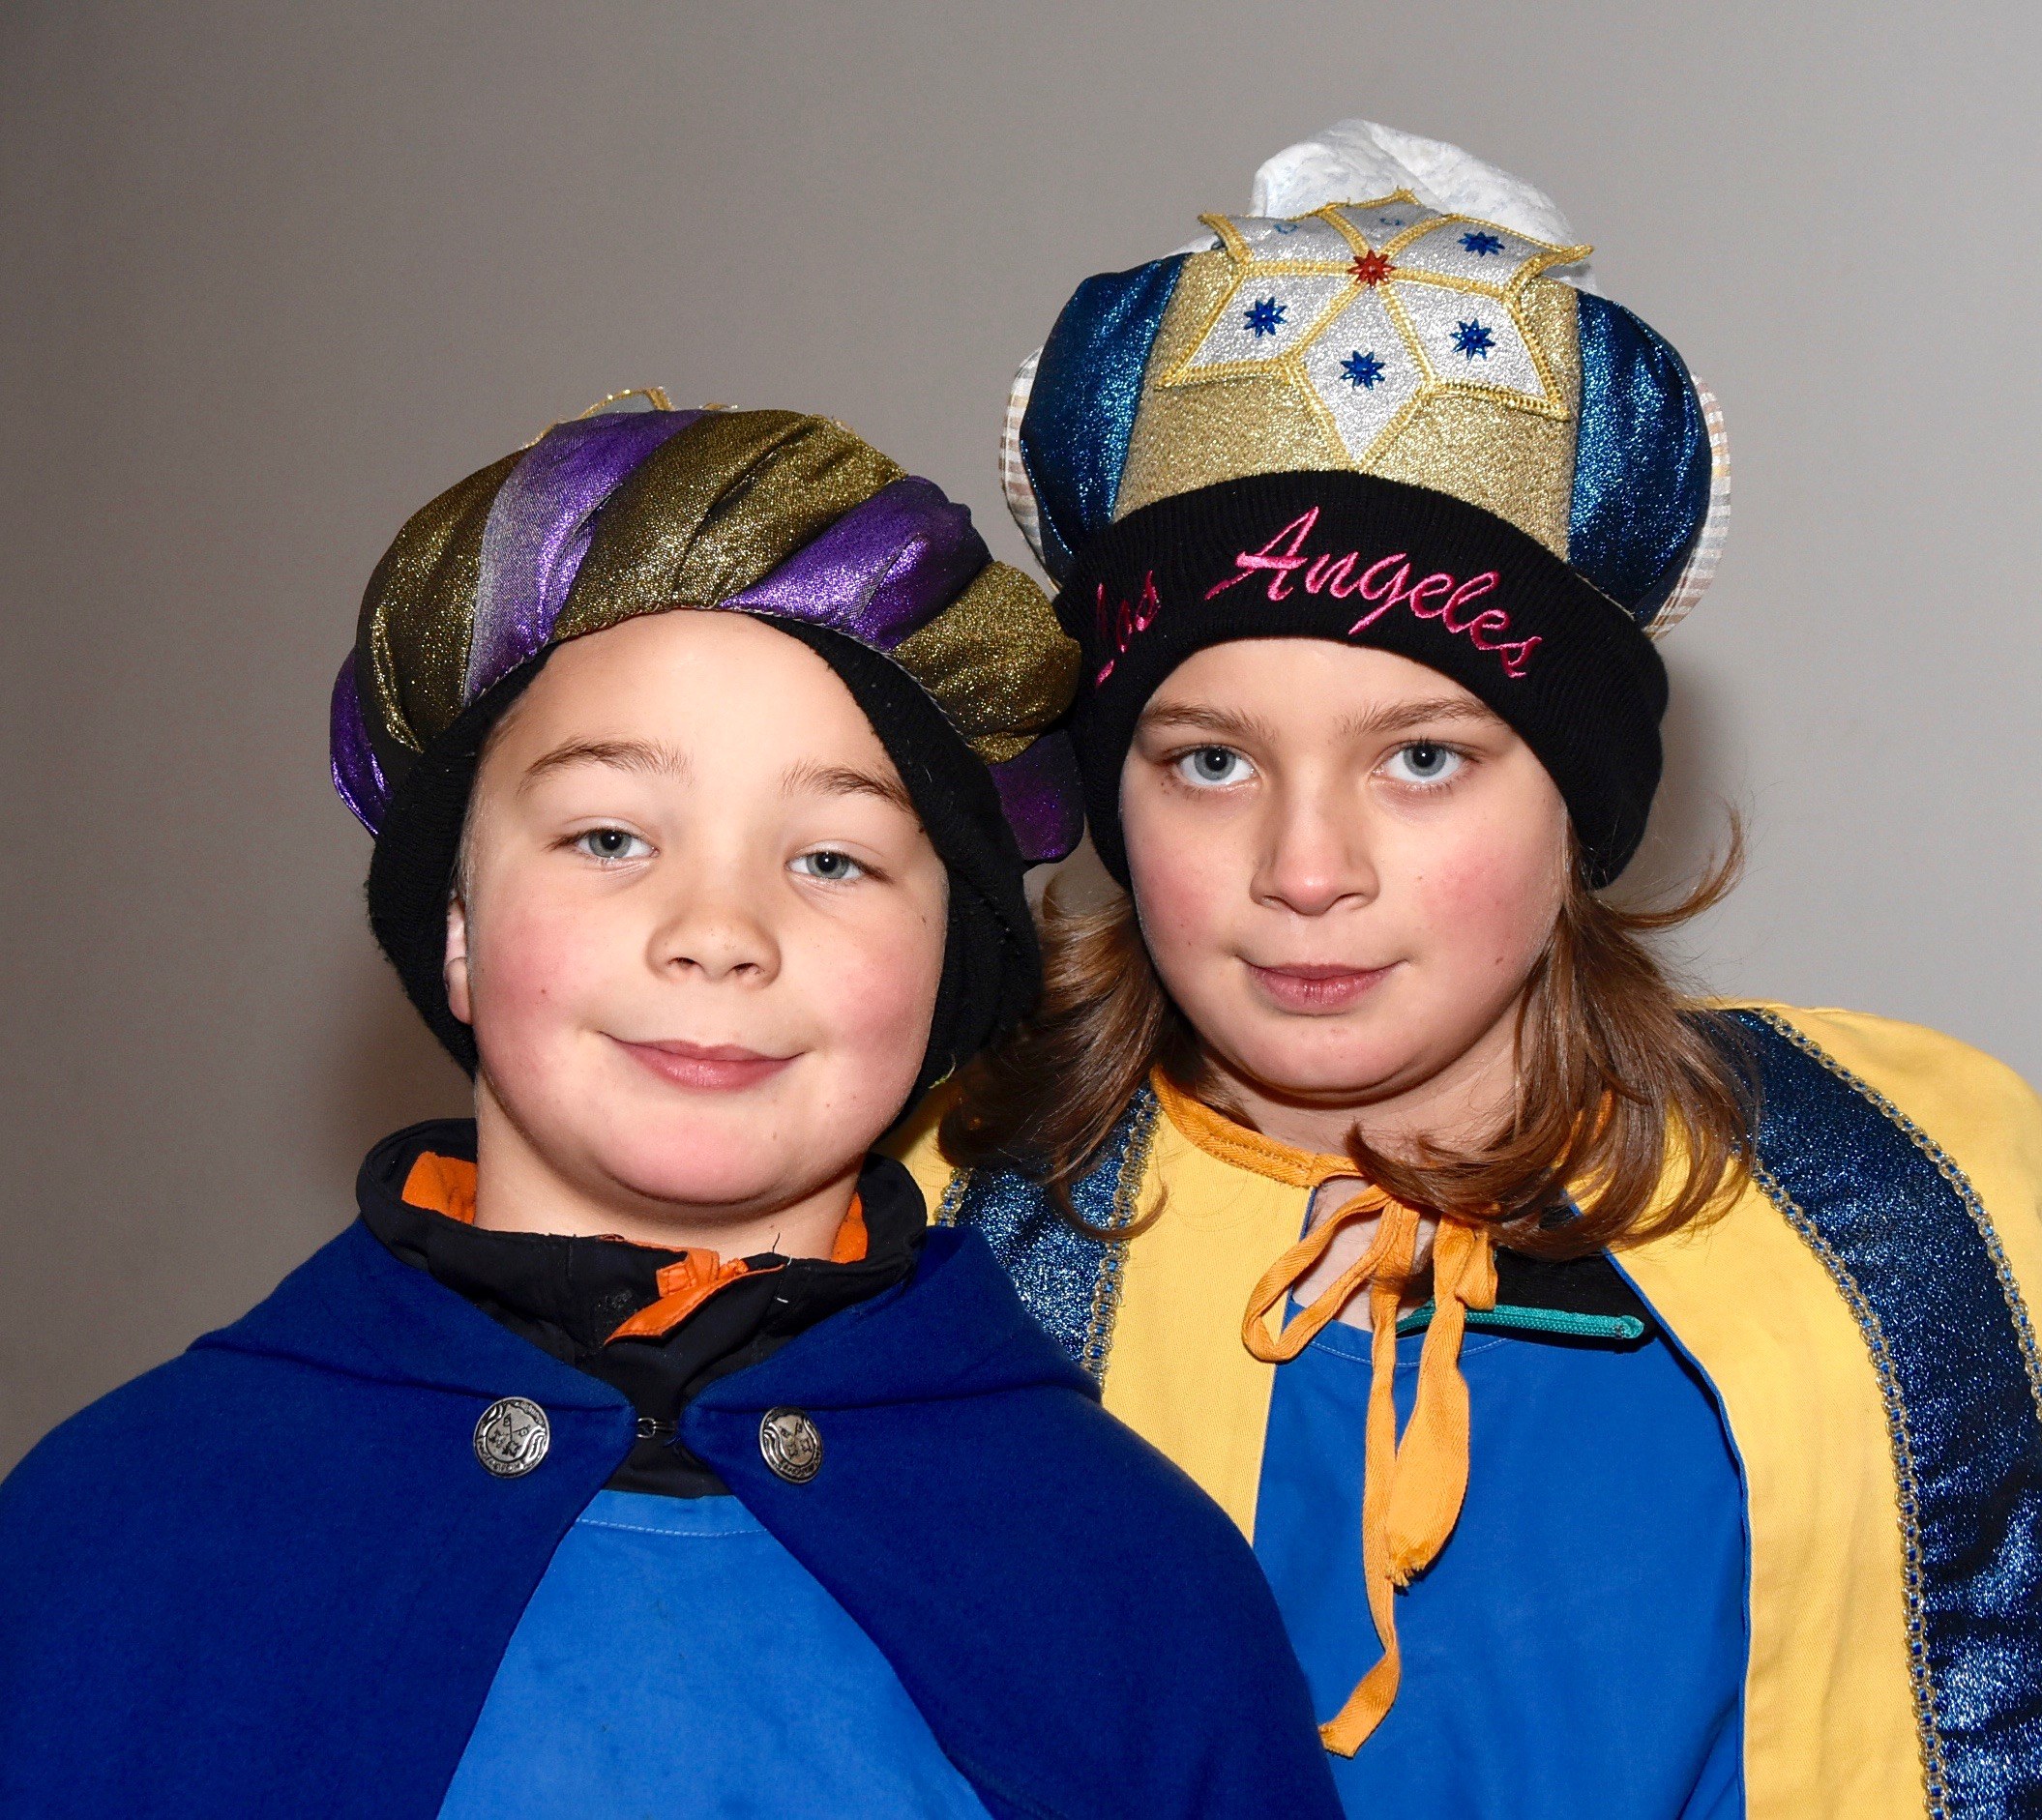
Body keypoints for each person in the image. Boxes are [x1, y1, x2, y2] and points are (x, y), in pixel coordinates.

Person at [903, 123, 2042, 1819]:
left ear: (1579, 804)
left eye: (1423, 757)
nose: (1307, 869)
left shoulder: (1926, 1192)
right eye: (1210, 759)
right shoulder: (931, 1225)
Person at [0, 395, 1343, 1820]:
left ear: (947, 969)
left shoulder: (1135, 1579)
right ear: (456, 925)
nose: (719, 932)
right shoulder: (115, 1532)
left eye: (831, 859)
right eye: (609, 837)